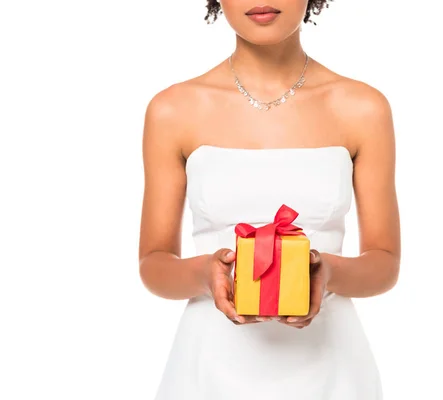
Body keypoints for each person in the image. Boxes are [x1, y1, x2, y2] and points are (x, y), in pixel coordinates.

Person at [138, 0, 401, 398]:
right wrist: (206, 277)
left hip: (332, 371)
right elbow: (153, 263)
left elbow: (385, 262)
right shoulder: (172, 109)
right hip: (209, 369)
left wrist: (325, 273)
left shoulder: (362, 107)